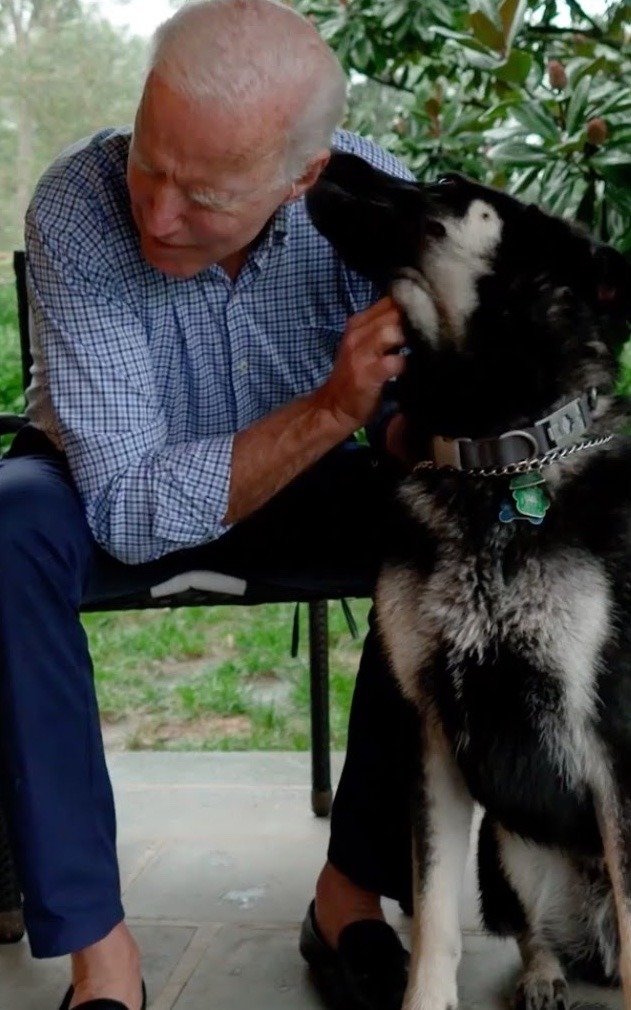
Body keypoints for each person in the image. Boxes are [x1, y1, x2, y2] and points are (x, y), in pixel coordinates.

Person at [0, 2, 420, 1009]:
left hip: (301, 478)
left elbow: (412, 411)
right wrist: (332, 407)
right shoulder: (77, 203)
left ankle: (349, 894)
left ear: (301, 176)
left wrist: (416, 425)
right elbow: (132, 506)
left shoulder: (374, 199)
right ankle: (103, 956)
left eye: (206, 194)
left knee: (447, 528)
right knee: (4, 527)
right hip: (101, 480)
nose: (156, 214)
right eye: (150, 163)